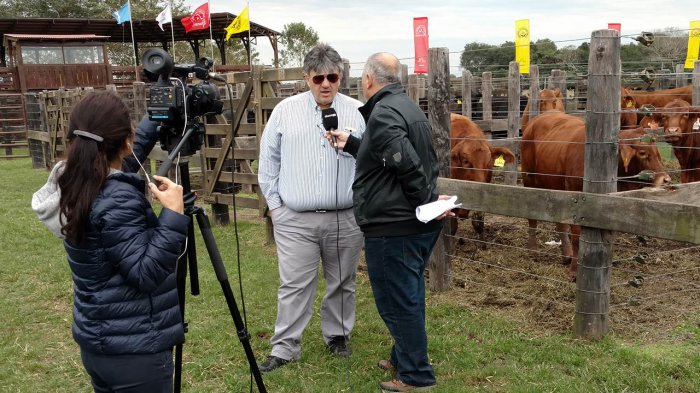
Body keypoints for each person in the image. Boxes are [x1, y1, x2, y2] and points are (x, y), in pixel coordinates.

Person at [32, 91, 189, 392]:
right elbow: (146, 273)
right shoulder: (116, 197)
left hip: (101, 343)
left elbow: (126, 155)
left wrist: (155, 116)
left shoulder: (78, 182)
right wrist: (173, 214)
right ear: (124, 140)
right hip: (135, 351)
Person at [327, 52, 453, 392]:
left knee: (397, 301)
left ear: (368, 79)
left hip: (394, 226)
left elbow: (404, 161)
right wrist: (354, 144)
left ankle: (415, 376)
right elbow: (387, 156)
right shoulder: (406, 106)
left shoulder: (382, 113)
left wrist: (426, 203)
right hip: (409, 223)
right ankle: (404, 357)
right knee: (407, 293)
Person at [257, 43, 366, 372]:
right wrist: (275, 207)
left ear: (341, 77)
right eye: (318, 78)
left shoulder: (359, 113)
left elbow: (372, 160)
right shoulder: (284, 111)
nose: (325, 84)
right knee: (293, 284)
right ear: (306, 78)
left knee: (343, 281)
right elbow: (268, 162)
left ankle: (338, 335)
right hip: (295, 219)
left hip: (345, 217)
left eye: (332, 77)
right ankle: (285, 346)